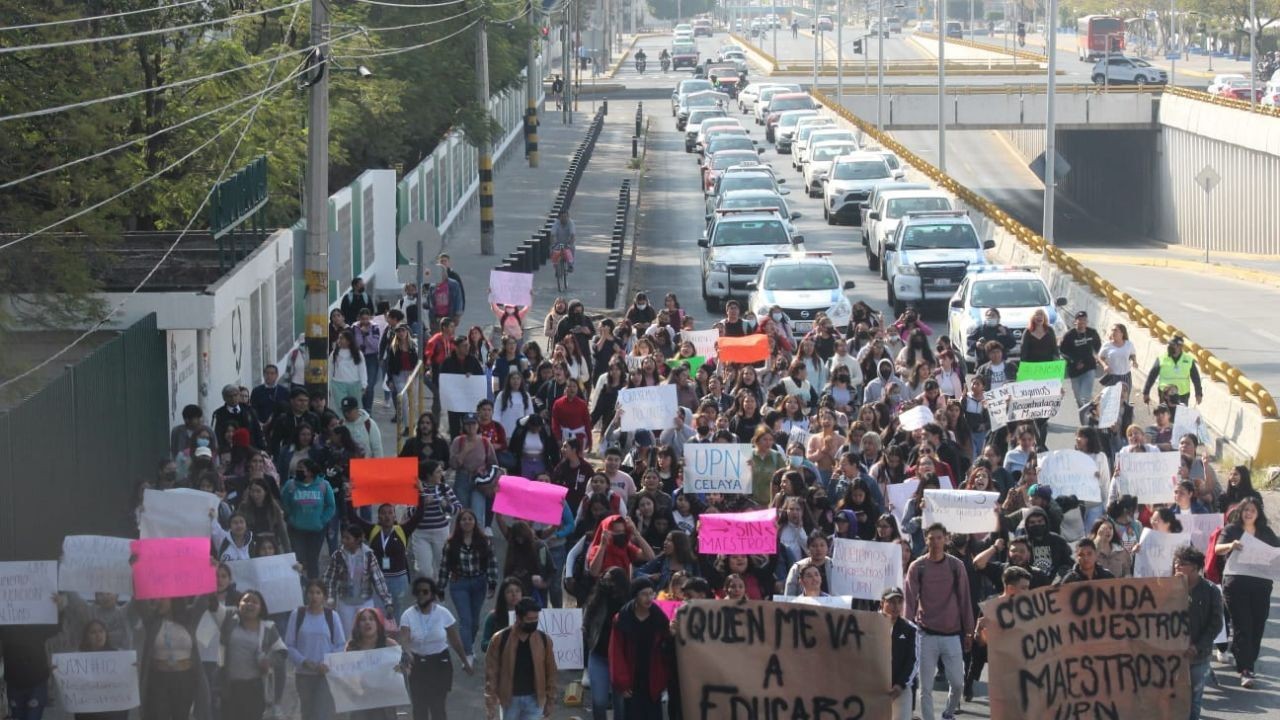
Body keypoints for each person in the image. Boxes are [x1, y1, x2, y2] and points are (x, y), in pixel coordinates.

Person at [904, 523, 973, 720]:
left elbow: (965, 599)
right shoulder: (917, 567)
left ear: (946, 539)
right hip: (926, 634)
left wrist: (969, 631)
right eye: (931, 538)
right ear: (925, 539)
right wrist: (906, 632)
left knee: (958, 683)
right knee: (926, 688)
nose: (935, 542)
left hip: (952, 634)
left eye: (939, 538)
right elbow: (909, 602)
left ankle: (948, 714)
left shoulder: (955, 566)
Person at [1214, 497, 1277, 687]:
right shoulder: (1232, 530)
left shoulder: (1265, 532)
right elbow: (1217, 549)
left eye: (1252, 510)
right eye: (1246, 510)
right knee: (1243, 625)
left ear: (1258, 514)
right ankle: (1246, 669)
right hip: (1236, 584)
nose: (1248, 513)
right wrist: (1231, 545)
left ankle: (1247, 659)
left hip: (1261, 586)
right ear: (1240, 512)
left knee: (1258, 624)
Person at [399, 576, 474, 720]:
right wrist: (407, 653)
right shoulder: (408, 615)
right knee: (419, 707)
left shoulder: (443, 613)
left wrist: (465, 661)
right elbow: (404, 639)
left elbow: (455, 640)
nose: (421, 595)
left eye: (425, 591)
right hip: (418, 665)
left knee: (437, 706)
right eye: (418, 592)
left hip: (440, 663)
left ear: (432, 594)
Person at [483, 597, 559, 720]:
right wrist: (490, 703)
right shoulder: (499, 639)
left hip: (535, 699)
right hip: (509, 700)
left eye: (536, 619)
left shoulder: (544, 640)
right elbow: (491, 673)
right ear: (518, 618)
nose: (533, 622)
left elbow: (551, 672)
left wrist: (550, 700)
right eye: (529, 619)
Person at [439, 509, 500, 660]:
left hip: (479, 583)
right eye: (463, 519)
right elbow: (444, 566)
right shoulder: (451, 543)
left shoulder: (484, 541)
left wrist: (492, 583)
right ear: (458, 523)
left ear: (475, 522)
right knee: (465, 619)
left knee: (475, 622)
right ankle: (468, 654)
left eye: (470, 519)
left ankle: (469, 643)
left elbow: (492, 563)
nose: (467, 522)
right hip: (459, 584)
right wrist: (440, 587)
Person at [218, 590, 286, 720]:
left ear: (261, 608)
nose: (249, 604)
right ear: (238, 604)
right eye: (246, 600)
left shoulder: (268, 628)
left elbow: (282, 651)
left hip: (254, 688)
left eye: (254, 602)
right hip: (230, 686)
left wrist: (268, 661)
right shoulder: (230, 622)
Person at [608, 578, 670, 720]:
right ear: (635, 596)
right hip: (632, 680)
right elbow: (616, 652)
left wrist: (663, 679)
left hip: (653, 679)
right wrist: (622, 683)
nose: (649, 598)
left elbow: (665, 650)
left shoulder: (660, 618)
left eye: (651, 593)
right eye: (644, 594)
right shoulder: (622, 618)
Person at [1175, 545, 1223, 719]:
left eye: (1182, 564)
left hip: (1197, 657)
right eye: (1176, 562)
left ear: (1195, 567)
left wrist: (1198, 646)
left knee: (1193, 701)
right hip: (1171, 657)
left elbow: (1216, 624)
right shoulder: (1166, 588)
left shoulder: (1211, 591)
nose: (1177, 566)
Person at [323, 524, 395, 640]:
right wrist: (330, 600)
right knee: (347, 637)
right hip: (345, 603)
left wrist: (387, 601)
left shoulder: (369, 555)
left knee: (368, 635)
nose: (343, 541)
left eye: (347, 538)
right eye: (343, 538)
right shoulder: (338, 556)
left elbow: (378, 579)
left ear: (357, 540)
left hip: (365, 602)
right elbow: (329, 579)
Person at [286, 581, 346, 720]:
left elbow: (340, 644)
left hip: (325, 674)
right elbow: (289, 644)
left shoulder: (332, 616)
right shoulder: (298, 614)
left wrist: (327, 663)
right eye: (311, 592)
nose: (314, 596)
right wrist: (304, 661)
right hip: (304, 674)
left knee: (323, 712)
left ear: (324, 596)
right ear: (306, 595)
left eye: (318, 593)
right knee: (307, 712)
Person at [282, 459, 337, 579]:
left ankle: (313, 586)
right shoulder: (290, 485)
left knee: (313, 560)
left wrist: (322, 521)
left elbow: (331, 506)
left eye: (302, 468)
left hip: (316, 530)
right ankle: (299, 586)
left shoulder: (324, 485)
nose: (298, 471)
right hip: (296, 529)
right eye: (298, 468)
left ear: (311, 471)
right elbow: (284, 504)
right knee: (298, 559)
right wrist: (290, 518)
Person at [347, 607, 404, 720]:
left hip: (385, 702)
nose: (367, 622)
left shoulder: (390, 645)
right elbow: (346, 674)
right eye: (363, 620)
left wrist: (401, 668)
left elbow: (405, 667)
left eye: (371, 619)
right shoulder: (352, 647)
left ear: (378, 623)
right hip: (361, 701)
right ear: (358, 625)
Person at [881, 587, 919, 720]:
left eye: (899, 602)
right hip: (874, 686)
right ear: (882, 603)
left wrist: (900, 685)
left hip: (900, 687)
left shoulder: (910, 629)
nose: (896, 606)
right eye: (891, 602)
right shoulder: (870, 623)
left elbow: (913, 660)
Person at [1059, 311, 1102, 420]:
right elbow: (1062, 351)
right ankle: (1086, 416)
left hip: (1089, 368)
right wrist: (1073, 361)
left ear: (1087, 322)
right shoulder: (1069, 335)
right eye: (1080, 320)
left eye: (1084, 320)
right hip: (1074, 370)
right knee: (1078, 398)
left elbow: (1098, 347)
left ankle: (1089, 420)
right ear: (1075, 322)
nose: (1082, 322)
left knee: (1085, 397)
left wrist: (1097, 357)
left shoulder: (1092, 333)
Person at [1142, 335, 1203, 406]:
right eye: (1169, 344)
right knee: (1165, 416)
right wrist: (1146, 392)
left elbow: (1196, 378)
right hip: (1165, 395)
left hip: (1182, 395)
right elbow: (1152, 376)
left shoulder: (1188, 360)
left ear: (1180, 346)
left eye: (1172, 345)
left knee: (1180, 416)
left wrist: (1198, 393)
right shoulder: (1162, 359)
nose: (1169, 347)